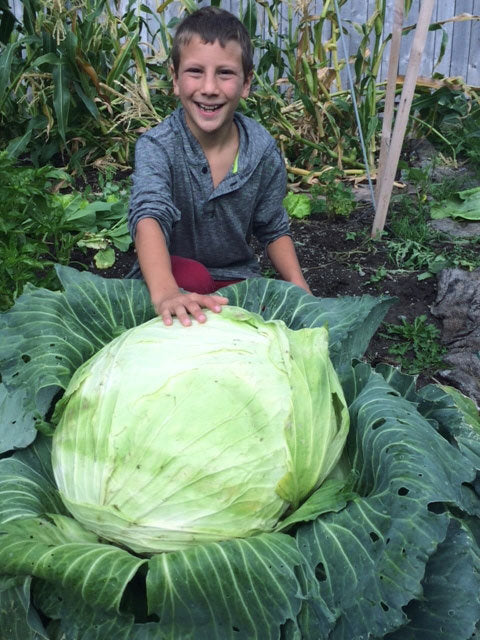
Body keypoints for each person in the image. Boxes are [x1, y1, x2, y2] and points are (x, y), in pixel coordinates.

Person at [128, 6, 311, 327]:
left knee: (271, 309)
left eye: (225, 73)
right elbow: (149, 215)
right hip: (168, 277)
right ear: (174, 78)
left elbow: (273, 229)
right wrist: (166, 293)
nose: (209, 87)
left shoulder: (262, 150)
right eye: (195, 71)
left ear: (246, 83)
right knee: (193, 276)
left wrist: (300, 291)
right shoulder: (158, 147)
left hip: (236, 282)